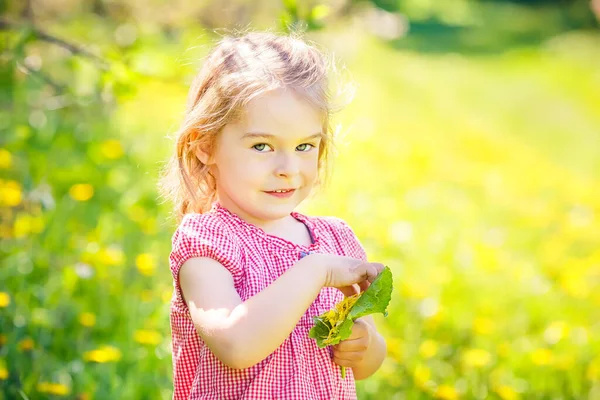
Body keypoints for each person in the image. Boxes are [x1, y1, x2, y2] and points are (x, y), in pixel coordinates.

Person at [159, 30, 387, 400]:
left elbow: (364, 364)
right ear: (205, 146)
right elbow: (236, 345)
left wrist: (366, 343)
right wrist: (315, 271)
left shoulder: (335, 240)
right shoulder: (208, 245)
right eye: (262, 146)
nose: (287, 167)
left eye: (304, 146)